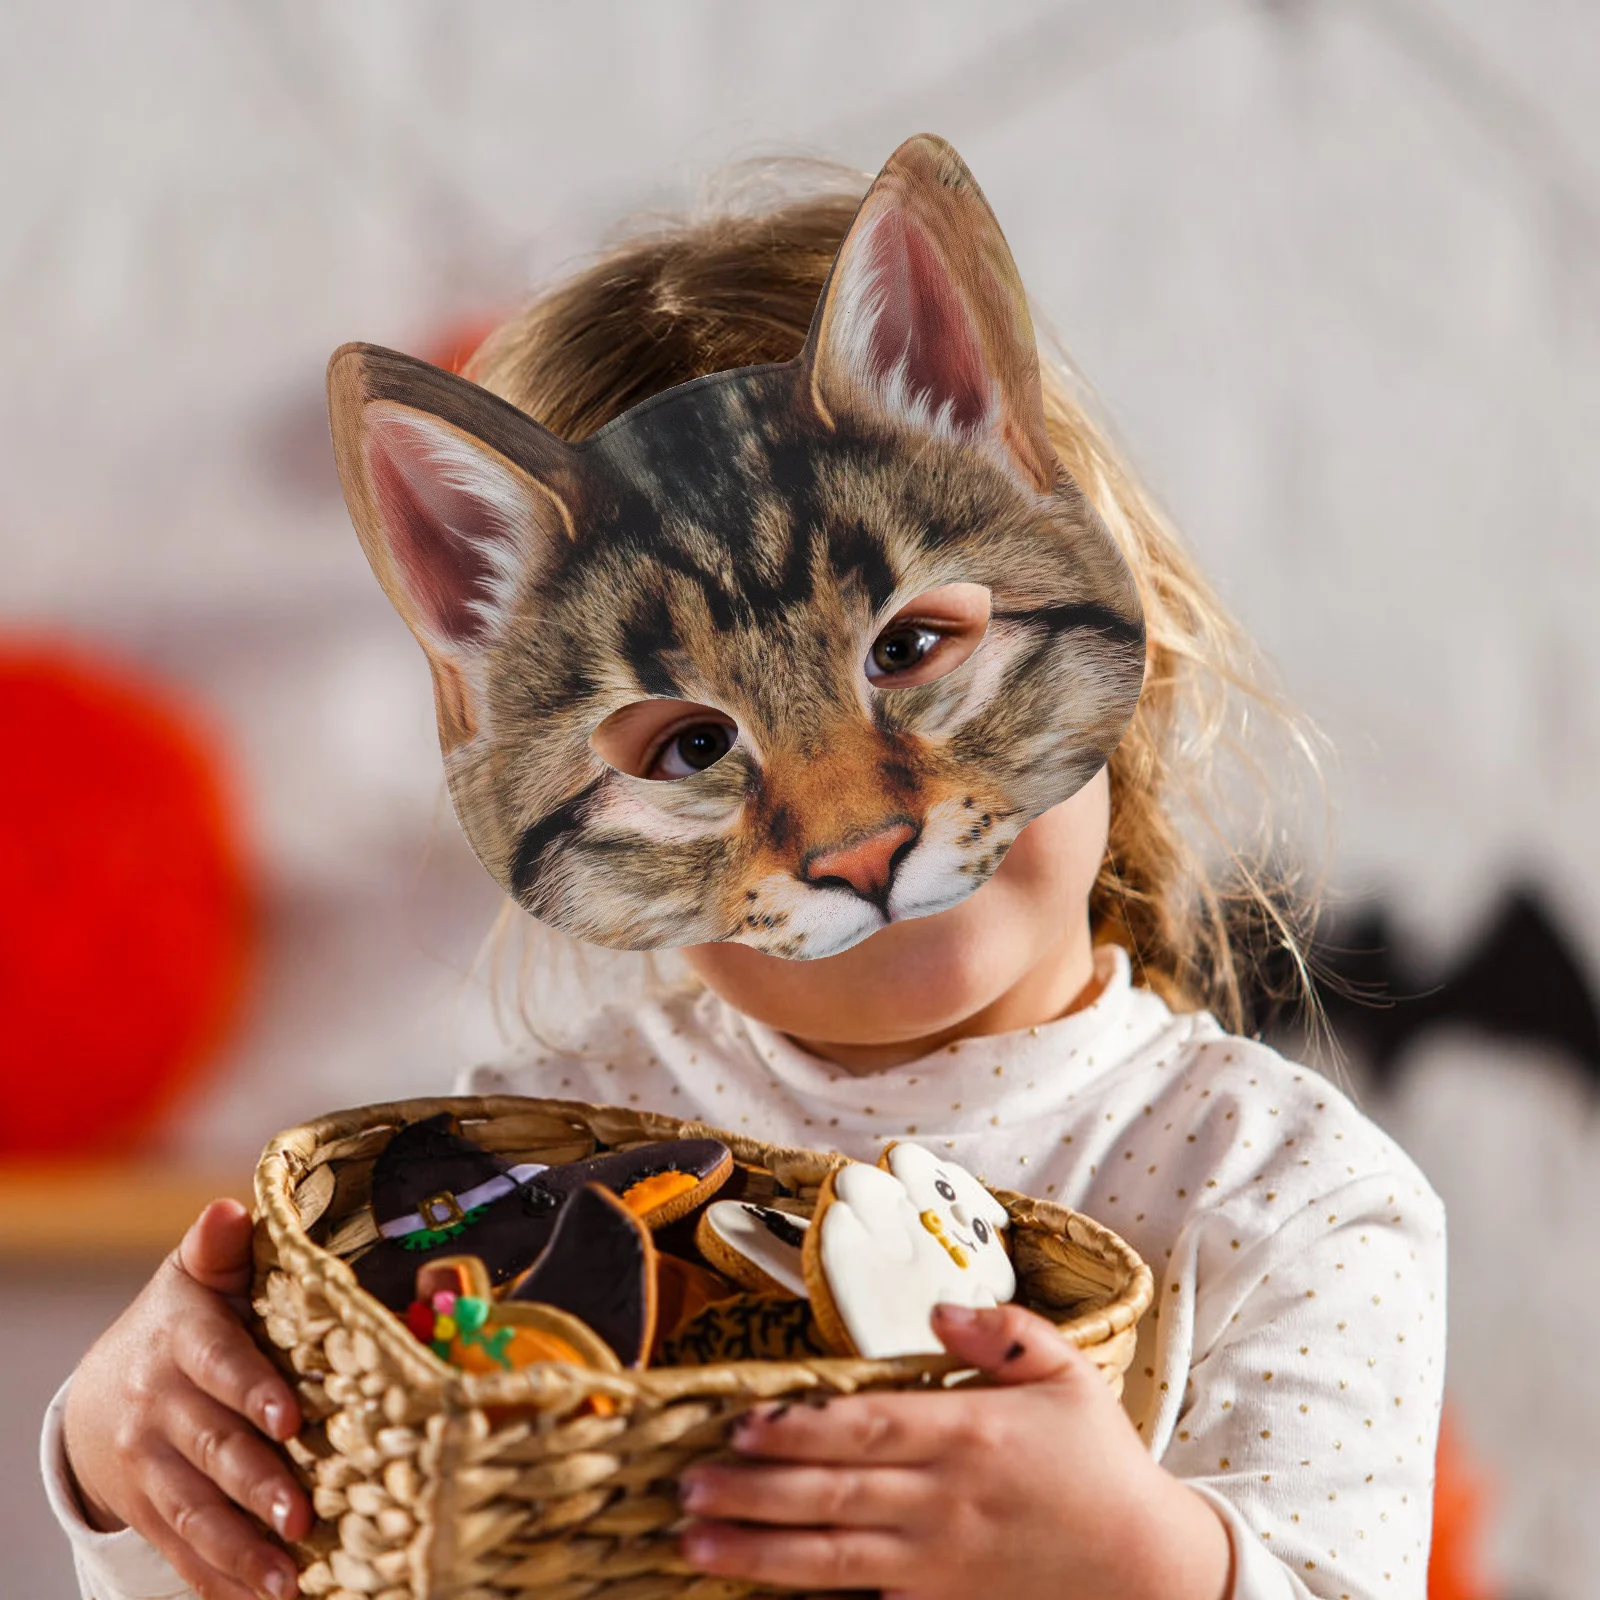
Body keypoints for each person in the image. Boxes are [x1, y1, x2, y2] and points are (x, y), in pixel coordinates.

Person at [44, 171, 1445, 1600]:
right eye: (694, 743)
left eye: (909, 648)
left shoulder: (1284, 1204)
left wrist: (1150, 1567)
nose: (850, 830)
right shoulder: (523, 1184)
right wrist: (125, 1462)